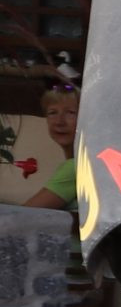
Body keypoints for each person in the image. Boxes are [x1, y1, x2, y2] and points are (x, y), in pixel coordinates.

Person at [24, 80, 78, 210]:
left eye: (70, 112)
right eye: (53, 112)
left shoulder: (76, 167)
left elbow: (20, 218)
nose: (59, 122)